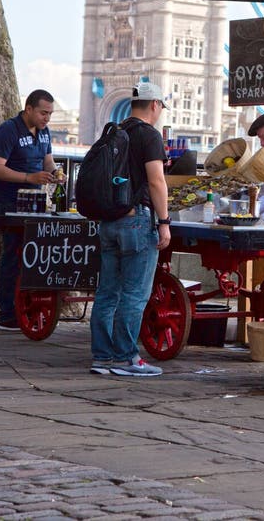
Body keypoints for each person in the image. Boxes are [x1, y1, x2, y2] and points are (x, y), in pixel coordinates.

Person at [90, 80, 171, 376]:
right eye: (161, 106)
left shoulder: (115, 131)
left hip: (109, 221)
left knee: (107, 292)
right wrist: (164, 222)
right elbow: (156, 181)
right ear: (154, 105)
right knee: (135, 294)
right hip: (137, 221)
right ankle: (126, 358)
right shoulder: (149, 135)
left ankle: (102, 357)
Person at [0, 89, 59, 330]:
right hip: (9, 202)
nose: (46, 118)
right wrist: (29, 177)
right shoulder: (9, 130)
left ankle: (29, 308)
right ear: (28, 108)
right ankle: (7, 313)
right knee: (13, 255)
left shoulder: (45, 132)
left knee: (34, 257)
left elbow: (48, 162)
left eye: (50, 114)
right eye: (43, 113)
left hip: (36, 202)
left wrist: (55, 174)